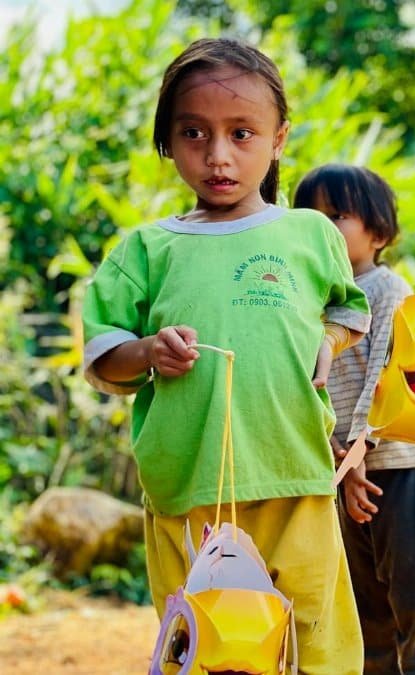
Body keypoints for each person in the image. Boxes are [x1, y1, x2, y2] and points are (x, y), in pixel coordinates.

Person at [82, 38, 367, 673]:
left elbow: (350, 309)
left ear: (279, 137)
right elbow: (104, 356)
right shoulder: (147, 250)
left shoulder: (310, 234)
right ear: (167, 143)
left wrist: (327, 342)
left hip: (293, 471)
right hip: (189, 485)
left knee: (313, 635)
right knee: (207, 641)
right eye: (193, 134)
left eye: (242, 134)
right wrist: (148, 352)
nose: (218, 156)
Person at [293, 164, 415, 675]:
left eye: (336, 215)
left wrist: (358, 457)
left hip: (401, 468)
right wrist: (340, 462)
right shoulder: (313, 303)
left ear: (378, 233)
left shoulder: (389, 289)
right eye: (310, 216)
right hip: (345, 471)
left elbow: (385, 377)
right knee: (365, 611)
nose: (322, 227)